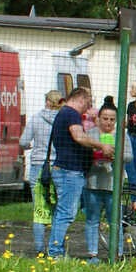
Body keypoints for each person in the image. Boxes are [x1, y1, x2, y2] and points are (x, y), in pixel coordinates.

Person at [47, 87, 112, 259]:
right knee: (66, 213)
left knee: (63, 212)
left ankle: (55, 249)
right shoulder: (71, 114)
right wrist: (101, 146)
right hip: (70, 171)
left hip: (66, 170)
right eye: (88, 103)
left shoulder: (64, 113)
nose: (88, 108)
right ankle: (55, 252)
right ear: (81, 99)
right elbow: (79, 137)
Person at [82, 106, 131, 263]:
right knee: (92, 219)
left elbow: (129, 156)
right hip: (93, 182)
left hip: (113, 184)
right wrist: (95, 154)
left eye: (112, 119)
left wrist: (116, 154)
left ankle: (117, 253)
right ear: (98, 118)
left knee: (114, 219)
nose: (108, 122)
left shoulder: (121, 135)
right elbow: (83, 152)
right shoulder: (91, 134)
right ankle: (92, 254)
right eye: (105, 118)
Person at [22, 90, 62, 255]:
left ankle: (39, 248)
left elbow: (23, 141)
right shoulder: (63, 120)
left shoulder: (36, 119)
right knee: (57, 209)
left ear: (46, 101)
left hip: (39, 165)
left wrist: (31, 147)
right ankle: (55, 245)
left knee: (39, 208)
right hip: (58, 166)